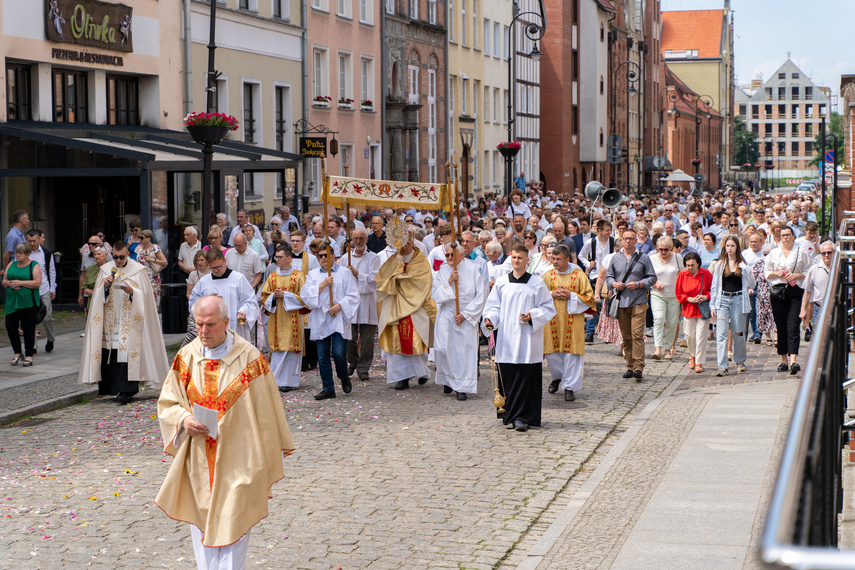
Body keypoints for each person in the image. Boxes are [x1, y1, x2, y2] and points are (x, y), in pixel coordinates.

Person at [156, 295, 295, 569]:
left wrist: (263, 458)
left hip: (239, 461)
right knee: (203, 530)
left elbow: (267, 413)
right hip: (198, 461)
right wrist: (184, 419)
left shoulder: (250, 359)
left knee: (233, 529)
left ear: (226, 322)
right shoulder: (186, 357)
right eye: (199, 325)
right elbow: (169, 401)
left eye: (210, 324)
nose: (204, 332)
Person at [79, 241, 168, 404]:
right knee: (111, 353)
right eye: (115, 257)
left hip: (129, 320)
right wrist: (105, 287)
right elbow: (98, 295)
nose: (118, 260)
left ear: (127, 254)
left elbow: (146, 296)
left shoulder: (137, 270)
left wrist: (133, 291)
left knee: (125, 354)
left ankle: (126, 391)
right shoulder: (106, 270)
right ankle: (112, 388)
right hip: (110, 318)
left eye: (121, 257)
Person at [481, 244, 556, 432]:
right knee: (508, 375)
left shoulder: (536, 283)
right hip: (506, 337)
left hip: (527, 339)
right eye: (514, 257)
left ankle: (523, 417)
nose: (516, 261)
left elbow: (547, 308)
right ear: (510, 258)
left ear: (527, 260)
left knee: (525, 376)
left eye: (520, 258)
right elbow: (493, 306)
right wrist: (490, 318)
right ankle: (510, 415)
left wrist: (532, 315)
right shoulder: (501, 282)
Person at [376, 228, 436, 391]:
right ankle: (401, 378)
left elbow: (425, 282)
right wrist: (395, 278)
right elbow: (381, 280)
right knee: (396, 342)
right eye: (402, 243)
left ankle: (421, 371)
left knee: (416, 341)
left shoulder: (421, 260)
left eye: (408, 243)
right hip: (395, 306)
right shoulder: (393, 260)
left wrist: (407, 281)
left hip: (416, 307)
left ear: (412, 241)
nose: (405, 247)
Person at [300, 243, 359, 400]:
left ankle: (343, 376)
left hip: (338, 317)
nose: (324, 258)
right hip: (321, 319)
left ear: (333, 256)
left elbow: (353, 295)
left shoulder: (345, 273)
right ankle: (328, 388)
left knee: (339, 353)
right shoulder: (313, 275)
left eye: (326, 255)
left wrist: (340, 306)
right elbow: (305, 295)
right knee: (322, 357)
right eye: (320, 256)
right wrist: (322, 285)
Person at [432, 243, 487, 401]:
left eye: (452, 255)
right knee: (446, 349)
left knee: (462, 353)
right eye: (447, 255)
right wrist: (449, 281)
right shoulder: (443, 270)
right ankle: (449, 380)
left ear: (461, 255)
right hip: (447, 315)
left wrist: (465, 314)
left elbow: (480, 296)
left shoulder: (471, 270)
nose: (449, 258)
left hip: (465, 316)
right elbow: (435, 293)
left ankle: (461, 386)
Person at [542, 244, 596, 402]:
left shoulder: (578, 275)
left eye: (558, 259)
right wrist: (552, 293)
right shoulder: (547, 275)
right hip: (552, 321)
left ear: (567, 259)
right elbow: (538, 296)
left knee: (572, 354)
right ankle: (557, 378)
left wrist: (571, 295)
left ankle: (570, 387)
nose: (555, 262)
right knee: (553, 355)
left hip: (573, 321)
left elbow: (589, 298)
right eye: (553, 259)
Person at [606, 228, 657, 381]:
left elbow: (652, 278)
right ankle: (630, 366)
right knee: (626, 337)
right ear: (621, 240)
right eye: (625, 238)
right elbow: (609, 278)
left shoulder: (644, 257)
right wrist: (615, 284)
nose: (628, 241)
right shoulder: (615, 258)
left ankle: (638, 367)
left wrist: (639, 284)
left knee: (637, 335)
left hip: (639, 300)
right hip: (622, 302)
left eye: (631, 238)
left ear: (636, 240)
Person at [260, 243, 308, 392]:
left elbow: (305, 298)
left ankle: (290, 382)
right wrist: (273, 297)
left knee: (291, 350)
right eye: (276, 257)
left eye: (280, 257)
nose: (277, 259)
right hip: (276, 319)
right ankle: (275, 380)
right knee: (278, 349)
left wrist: (286, 295)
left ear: (289, 258)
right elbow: (264, 297)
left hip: (293, 319)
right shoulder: (272, 277)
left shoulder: (299, 276)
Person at [765, 226, 811, 375]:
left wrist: (797, 275)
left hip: (795, 291)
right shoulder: (774, 253)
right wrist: (776, 273)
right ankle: (783, 359)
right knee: (781, 325)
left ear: (793, 236)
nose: (785, 238)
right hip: (778, 291)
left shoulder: (801, 252)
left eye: (788, 235)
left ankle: (793, 360)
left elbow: (809, 271)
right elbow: (766, 272)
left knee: (793, 324)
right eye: (783, 235)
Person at [189, 248, 259, 343]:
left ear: (225, 261)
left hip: (234, 328)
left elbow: (249, 301)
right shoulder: (204, 282)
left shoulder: (238, 279)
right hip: (211, 331)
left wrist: (243, 311)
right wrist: (206, 301)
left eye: (218, 267)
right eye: (212, 268)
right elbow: (193, 303)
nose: (216, 271)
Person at [709, 236, 755, 376]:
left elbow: (752, 284)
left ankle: (740, 360)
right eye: (727, 246)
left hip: (738, 300)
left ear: (737, 247)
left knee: (738, 332)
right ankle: (722, 366)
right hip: (722, 299)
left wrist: (746, 270)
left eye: (732, 246)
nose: (730, 248)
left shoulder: (742, 264)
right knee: (721, 334)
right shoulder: (719, 264)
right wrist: (712, 305)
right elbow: (714, 287)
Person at [343, 229, 381, 382]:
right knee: (349, 337)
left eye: (361, 238)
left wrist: (358, 274)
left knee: (367, 339)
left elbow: (375, 280)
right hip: (351, 301)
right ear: (352, 239)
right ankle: (353, 361)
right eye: (356, 238)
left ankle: (363, 368)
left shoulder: (374, 258)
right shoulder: (346, 258)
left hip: (367, 301)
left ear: (366, 239)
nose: (358, 241)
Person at [3, 243, 42, 366]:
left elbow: (37, 283)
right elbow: (3, 281)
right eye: (17, 252)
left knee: (28, 328)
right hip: (12, 301)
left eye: (21, 253)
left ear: (28, 254)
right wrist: (10, 283)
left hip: (27, 301)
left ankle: (29, 355)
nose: (18, 255)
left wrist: (21, 282)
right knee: (10, 327)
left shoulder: (34, 265)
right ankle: (17, 352)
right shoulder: (11, 264)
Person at [675, 252, 712, 373]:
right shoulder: (682, 274)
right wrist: (688, 299)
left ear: (698, 264)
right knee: (689, 335)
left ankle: (699, 362)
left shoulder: (705, 273)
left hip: (702, 310)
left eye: (692, 265)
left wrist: (705, 297)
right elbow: (678, 293)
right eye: (688, 265)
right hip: (688, 309)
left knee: (701, 336)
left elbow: (712, 290)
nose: (690, 268)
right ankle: (692, 354)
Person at [649, 236, 684, 361]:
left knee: (672, 322)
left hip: (674, 295)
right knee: (658, 319)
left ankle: (668, 349)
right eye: (661, 249)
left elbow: (683, 274)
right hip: (657, 294)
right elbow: (647, 276)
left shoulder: (677, 257)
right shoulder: (652, 258)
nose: (663, 252)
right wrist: (655, 284)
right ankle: (657, 349)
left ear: (671, 249)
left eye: (666, 250)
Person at [26, 229, 57, 353]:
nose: (32, 243)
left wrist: (52, 288)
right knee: (30, 318)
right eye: (29, 241)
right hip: (29, 289)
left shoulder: (46, 252)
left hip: (43, 288)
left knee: (47, 317)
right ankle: (33, 346)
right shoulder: (25, 252)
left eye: (34, 240)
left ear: (39, 239)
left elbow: (51, 271)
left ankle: (51, 338)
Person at [800, 240, 834, 340]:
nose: (826, 255)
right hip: (819, 308)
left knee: (834, 339)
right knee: (820, 339)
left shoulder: (840, 268)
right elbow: (807, 291)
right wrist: (803, 310)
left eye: (829, 252)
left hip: (835, 308)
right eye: (824, 253)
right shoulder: (814, 269)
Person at [183, 251, 210, 346]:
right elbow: (188, 294)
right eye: (198, 260)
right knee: (192, 335)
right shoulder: (193, 275)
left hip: (210, 309)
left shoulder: (212, 274)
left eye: (202, 260)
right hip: (197, 308)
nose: (200, 262)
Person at [136, 229, 168, 310]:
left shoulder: (155, 248)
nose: (139, 239)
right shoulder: (138, 248)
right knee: (141, 302)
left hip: (152, 279)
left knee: (152, 302)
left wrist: (152, 259)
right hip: (140, 278)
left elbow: (165, 262)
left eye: (141, 238)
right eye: (139, 237)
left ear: (148, 238)